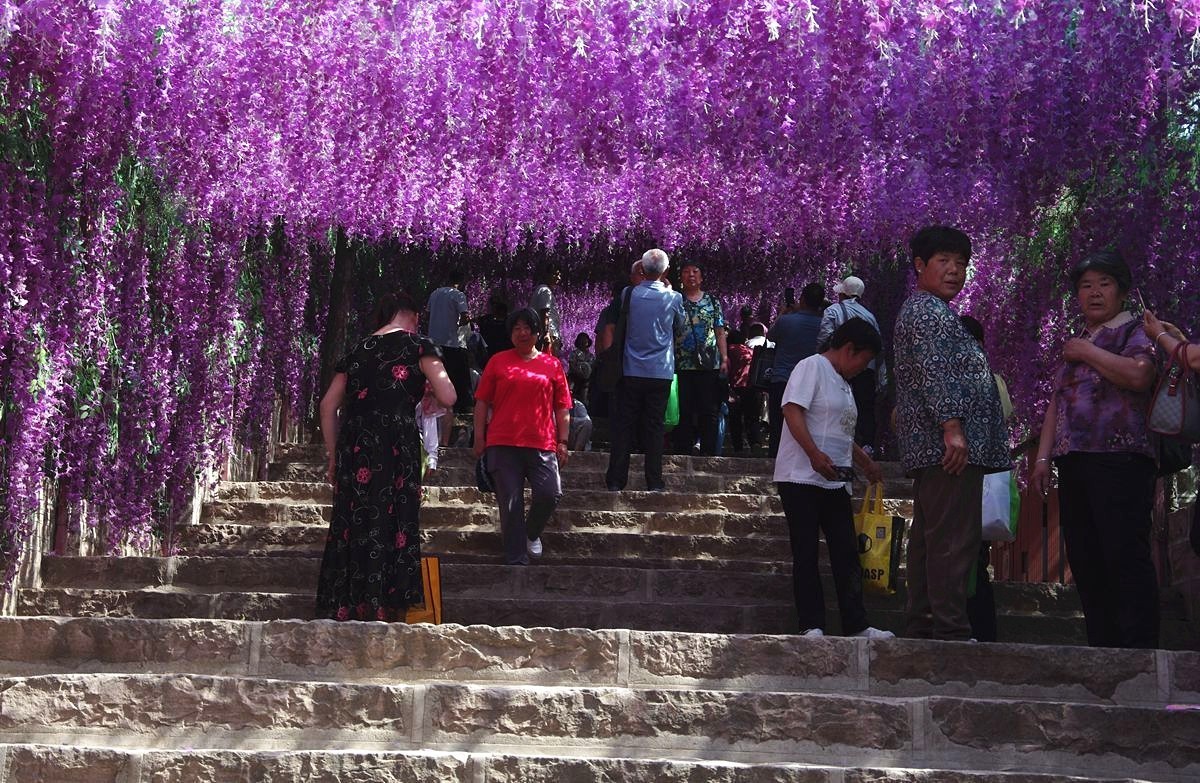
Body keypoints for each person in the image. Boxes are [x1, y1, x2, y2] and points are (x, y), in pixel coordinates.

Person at [1031, 250, 1159, 648]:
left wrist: (1087, 353)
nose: (1095, 293)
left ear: (1121, 293)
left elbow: (1140, 375)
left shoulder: (1134, 330)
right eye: (1086, 286)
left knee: (1122, 551)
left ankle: (1137, 650)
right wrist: (1042, 458)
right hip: (1076, 461)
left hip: (1121, 459)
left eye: (1104, 284)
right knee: (1086, 557)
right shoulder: (1079, 339)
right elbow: (1057, 402)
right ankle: (1102, 646)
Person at [893, 226, 1009, 642]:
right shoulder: (928, 312)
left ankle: (925, 622)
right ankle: (950, 628)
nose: (955, 270)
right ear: (920, 266)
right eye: (944, 261)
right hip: (948, 448)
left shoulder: (928, 311)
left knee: (932, 536)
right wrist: (952, 428)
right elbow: (935, 372)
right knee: (953, 538)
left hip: (935, 447)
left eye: (961, 263)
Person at [316, 290, 456, 621]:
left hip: (356, 446)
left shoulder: (356, 350)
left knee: (356, 519)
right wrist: (427, 393)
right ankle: (386, 604)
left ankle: (348, 602)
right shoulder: (420, 346)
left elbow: (327, 407)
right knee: (394, 518)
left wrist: (334, 456)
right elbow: (449, 395)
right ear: (415, 317)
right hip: (396, 444)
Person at [775, 318, 893, 639]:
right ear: (848, 349)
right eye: (863, 360)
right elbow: (792, 409)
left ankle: (857, 623)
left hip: (836, 480)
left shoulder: (844, 383)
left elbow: (841, 430)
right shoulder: (811, 367)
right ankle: (811, 623)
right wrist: (813, 453)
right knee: (806, 550)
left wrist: (865, 461)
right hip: (801, 477)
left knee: (846, 550)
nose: (862, 368)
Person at [473, 307, 573, 564]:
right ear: (510, 334)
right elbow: (482, 402)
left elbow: (562, 406)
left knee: (550, 492)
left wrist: (563, 441)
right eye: (516, 328)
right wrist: (479, 438)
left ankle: (531, 533)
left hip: (541, 441)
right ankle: (516, 559)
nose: (522, 333)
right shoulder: (498, 361)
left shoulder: (552, 364)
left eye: (527, 328)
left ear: (538, 332)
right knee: (510, 503)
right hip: (502, 441)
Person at [605, 248, 687, 491]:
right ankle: (654, 482)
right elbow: (679, 327)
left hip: (631, 369)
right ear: (666, 271)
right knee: (654, 428)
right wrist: (670, 290)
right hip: (660, 372)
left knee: (624, 426)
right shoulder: (674, 298)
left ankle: (616, 481)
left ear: (642, 269)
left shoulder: (628, 294)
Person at [960, 314, 1013, 643]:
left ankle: (974, 627)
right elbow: (1006, 415)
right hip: (975, 476)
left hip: (970, 478)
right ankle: (980, 628)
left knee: (969, 557)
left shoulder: (978, 380)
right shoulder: (995, 381)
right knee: (974, 557)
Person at [817, 275, 884, 452]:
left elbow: (824, 337)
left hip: (840, 368)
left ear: (842, 294)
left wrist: (821, 360)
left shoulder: (833, 310)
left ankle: (836, 443)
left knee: (837, 403)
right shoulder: (869, 315)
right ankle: (867, 446)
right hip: (866, 369)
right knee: (864, 407)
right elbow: (878, 346)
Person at [673, 261, 728, 455]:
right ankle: (683, 450)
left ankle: (709, 452)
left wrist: (724, 357)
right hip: (682, 363)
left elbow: (719, 331)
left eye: (695, 271)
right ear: (681, 278)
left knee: (709, 410)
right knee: (684, 410)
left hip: (708, 364)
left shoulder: (712, 301)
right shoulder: (676, 300)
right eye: (686, 272)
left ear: (702, 277)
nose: (691, 275)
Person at [766, 283, 825, 457]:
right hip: (810, 381)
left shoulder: (786, 320)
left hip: (782, 378)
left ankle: (774, 458)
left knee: (778, 423)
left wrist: (784, 313)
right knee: (806, 423)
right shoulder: (823, 324)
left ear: (802, 299)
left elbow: (770, 336)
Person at [426, 269, 472, 416]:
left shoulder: (435, 293)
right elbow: (465, 316)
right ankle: (458, 406)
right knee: (455, 374)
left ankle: (437, 404)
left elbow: (428, 313)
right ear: (461, 281)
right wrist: (458, 325)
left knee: (435, 374)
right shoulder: (458, 295)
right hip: (450, 341)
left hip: (433, 340)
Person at [726, 330, 763, 455]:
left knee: (735, 419)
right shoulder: (749, 351)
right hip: (752, 387)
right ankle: (756, 443)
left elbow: (727, 369)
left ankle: (738, 447)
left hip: (735, 388)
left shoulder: (728, 350)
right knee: (752, 418)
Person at [530, 264, 563, 354]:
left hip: (546, 333)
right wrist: (546, 333)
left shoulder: (541, 290)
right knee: (549, 362)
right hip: (548, 334)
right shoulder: (545, 290)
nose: (558, 278)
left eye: (559, 275)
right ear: (546, 275)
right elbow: (544, 312)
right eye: (555, 274)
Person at [475, 294, 513, 365]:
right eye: (493, 304)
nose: (494, 306)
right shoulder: (486, 320)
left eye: (496, 304)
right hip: (490, 354)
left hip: (504, 353)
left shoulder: (509, 322)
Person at [567, 332, 596, 402]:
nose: (583, 342)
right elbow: (572, 366)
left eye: (585, 340)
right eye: (581, 340)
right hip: (575, 378)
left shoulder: (591, 356)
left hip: (587, 382)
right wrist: (580, 373)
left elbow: (593, 368)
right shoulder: (573, 353)